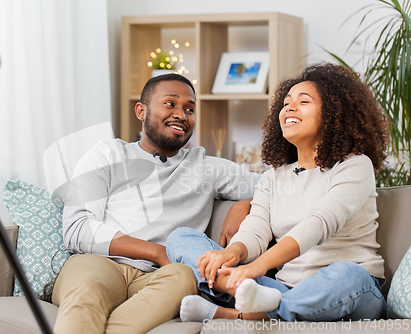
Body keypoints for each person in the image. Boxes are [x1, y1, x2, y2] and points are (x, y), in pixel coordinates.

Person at [166, 63, 389, 323]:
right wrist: (233, 254)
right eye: (286, 103)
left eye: (303, 102)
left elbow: (318, 225)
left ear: (333, 114)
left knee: (349, 276)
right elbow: (256, 230)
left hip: (348, 289)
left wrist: (254, 268)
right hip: (281, 290)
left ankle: (238, 313)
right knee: (179, 238)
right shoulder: (273, 176)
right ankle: (241, 292)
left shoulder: (355, 165)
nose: (290, 108)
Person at [51, 73, 261, 333]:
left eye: (190, 109)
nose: (181, 115)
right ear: (141, 111)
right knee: (85, 292)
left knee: (184, 277)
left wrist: (246, 203)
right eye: (170, 104)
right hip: (100, 263)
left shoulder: (205, 167)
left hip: (161, 277)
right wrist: (157, 252)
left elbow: (275, 186)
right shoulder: (107, 154)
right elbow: (77, 229)